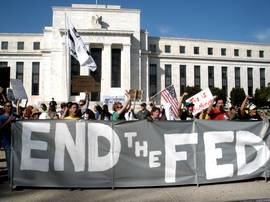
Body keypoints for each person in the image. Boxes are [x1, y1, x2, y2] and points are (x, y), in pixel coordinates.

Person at [0, 101, 16, 180]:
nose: (9, 107)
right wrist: (8, 121)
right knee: (10, 162)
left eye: (10, 106)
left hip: (15, 143)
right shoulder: (1, 117)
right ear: (4, 107)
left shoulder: (14, 117)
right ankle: (11, 180)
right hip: (7, 143)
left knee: (15, 161)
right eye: (7, 106)